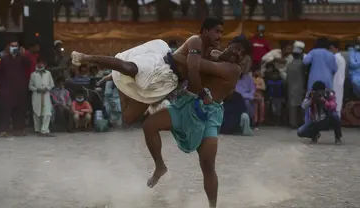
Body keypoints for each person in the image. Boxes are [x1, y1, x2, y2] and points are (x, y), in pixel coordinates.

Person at [141, 38, 248, 208]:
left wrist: (175, 56)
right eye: (237, 48)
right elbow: (196, 63)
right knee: (149, 126)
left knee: (207, 165)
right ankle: (160, 166)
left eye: (242, 53)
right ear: (230, 45)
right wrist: (187, 58)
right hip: (186, 104)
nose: (238, 53)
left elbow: (197, 66)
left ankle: (212, 206)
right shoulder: (213, 54)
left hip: (209, 114)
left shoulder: (234, 69)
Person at [71, 17, 224, 125]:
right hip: (161, 66)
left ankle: (118, 79)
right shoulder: (195, 41)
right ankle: (85, 57)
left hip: (167, 84)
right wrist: (202, 94)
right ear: (205, 31)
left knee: (128, 118)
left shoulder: (211, 53)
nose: (220, 36)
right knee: (128, 67)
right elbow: (192, 70)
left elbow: (221, 62)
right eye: (217, 31)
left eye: (221, 32)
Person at [0, 38, 30, 137]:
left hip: (19, 88)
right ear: (8, 47)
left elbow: (29, 65)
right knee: (5, 108)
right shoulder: (4, 59)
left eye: (15, 46)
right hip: (7, 88)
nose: (13, 48)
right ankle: (3, 130)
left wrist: (24, 55)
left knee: (19, 108)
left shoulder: (22, 58)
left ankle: (18, 129)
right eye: (12, 46)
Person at [29, 58, 55, 137]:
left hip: (46, 94)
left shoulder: (48, 73)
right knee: (37, 112)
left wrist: (47, 88)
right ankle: (38, 130)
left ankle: (44, 130)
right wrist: (37, 89)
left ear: (44, 64)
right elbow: (30, 86)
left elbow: (52, 84)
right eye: (39, 63)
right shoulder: (33, 74)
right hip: (37, 95)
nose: (40, 65)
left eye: (42, 63)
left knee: (47, 113)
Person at [286, 42, 306, 128]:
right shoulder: (302, 64)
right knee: (301, 106)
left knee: (292, 106)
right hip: (300, 87)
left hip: (291, 87)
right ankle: (301, 122)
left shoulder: (289, 65)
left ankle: (292, 123)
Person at [330, 41, 346, 118]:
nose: (330, 50)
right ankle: (337, 121)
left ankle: (334, 122)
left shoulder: (335, 57)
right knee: (338, 102)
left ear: (336, 48)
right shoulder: (341, 58)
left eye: (332, 48)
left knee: (334, 102)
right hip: (340, 82)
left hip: (335, 82)